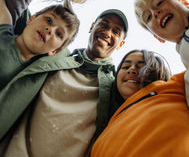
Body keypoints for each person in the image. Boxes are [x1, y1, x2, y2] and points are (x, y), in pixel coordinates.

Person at [0, 9, 128, 157]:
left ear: (121, 44)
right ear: (92, 27)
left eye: (116, 32)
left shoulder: (115, 88)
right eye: (104, 25)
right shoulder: (57, 53)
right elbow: (18, 6)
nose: (107, 32)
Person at [90, 49, 189, 156]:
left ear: (157, 71)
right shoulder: (108, 124)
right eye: (125, 67)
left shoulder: (174, 89)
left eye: (141, 66)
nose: (131, 70)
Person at [135, 0, 189, 123]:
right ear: (158, 37)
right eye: (148, 17)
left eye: (159, 3)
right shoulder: (187, 81)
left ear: (184, 2)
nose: (155, 13)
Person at [0, 0, 80, 90]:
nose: (50, 29)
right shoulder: (4, 28)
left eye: (58, 34)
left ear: (55, 51)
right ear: (31, 18)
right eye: (49, 20)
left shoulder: (32, 76)